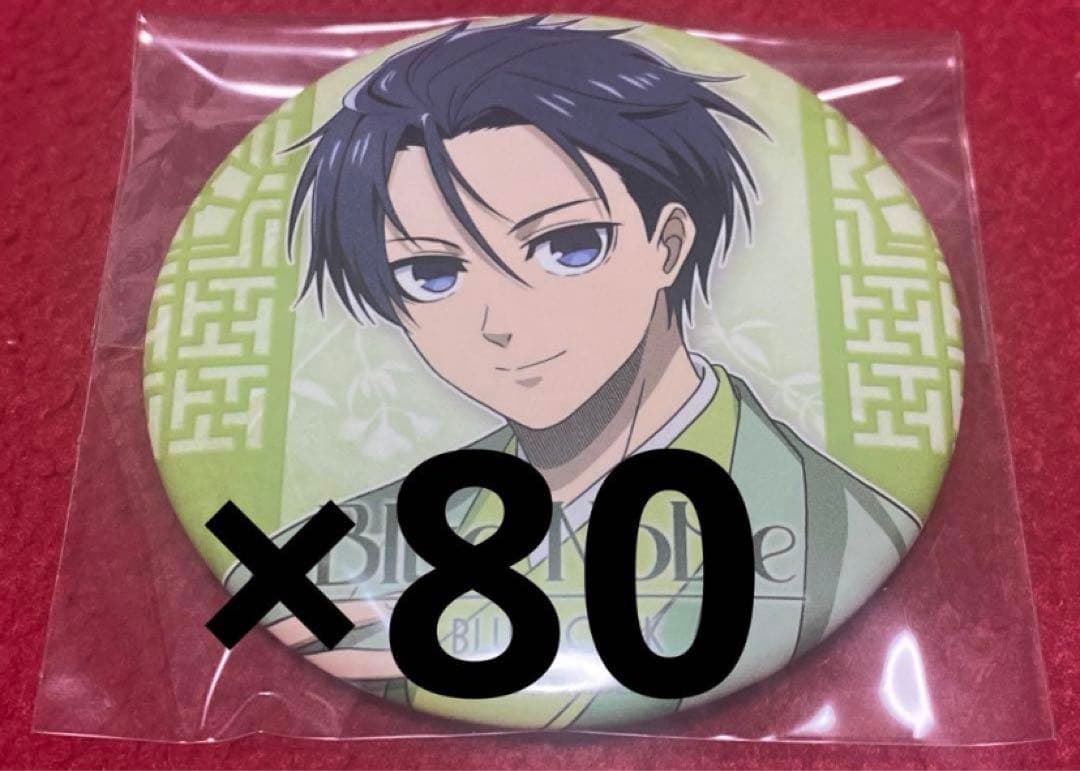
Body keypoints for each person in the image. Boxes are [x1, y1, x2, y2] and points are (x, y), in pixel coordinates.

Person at [226, 16, 921, 728]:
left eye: (569, 247)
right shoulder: (321, 563)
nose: (501, 319)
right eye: (431, 273)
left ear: (668, 244)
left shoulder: (849, 533)